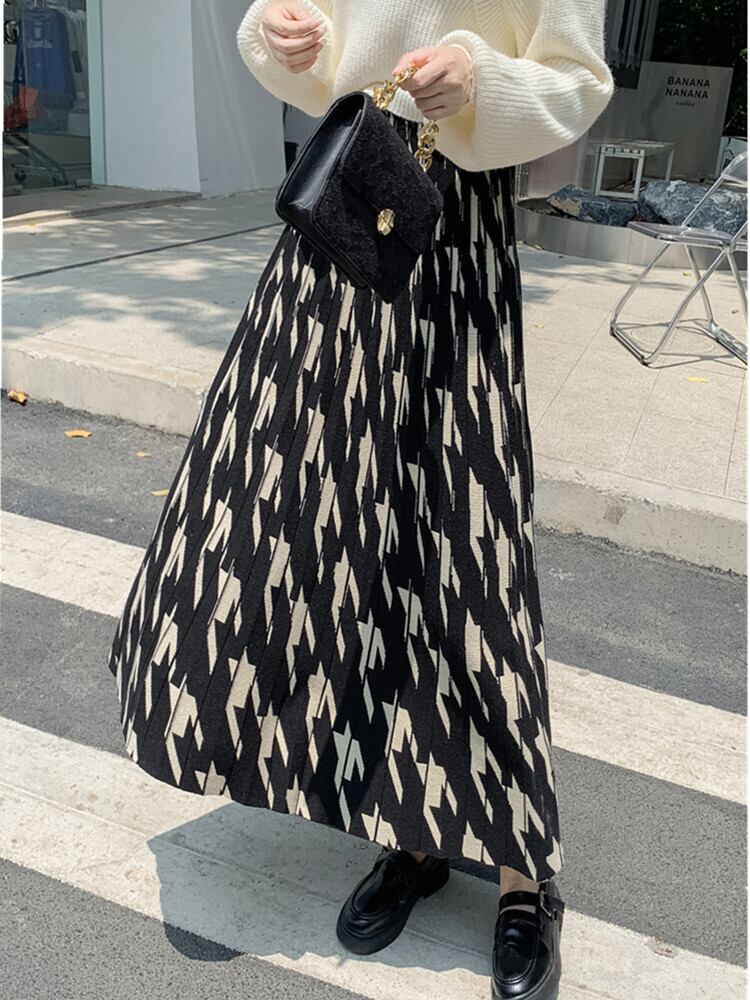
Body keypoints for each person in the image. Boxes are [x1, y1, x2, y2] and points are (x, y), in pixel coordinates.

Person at [106, 3, 613, 998]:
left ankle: (522, 871)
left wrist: (482, 80)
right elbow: (300, 33)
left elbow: (578, 78)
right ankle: (413, 829)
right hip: (344, 200)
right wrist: (282, 39)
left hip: (453, 226)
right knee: (283, 513)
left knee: (464, 542)